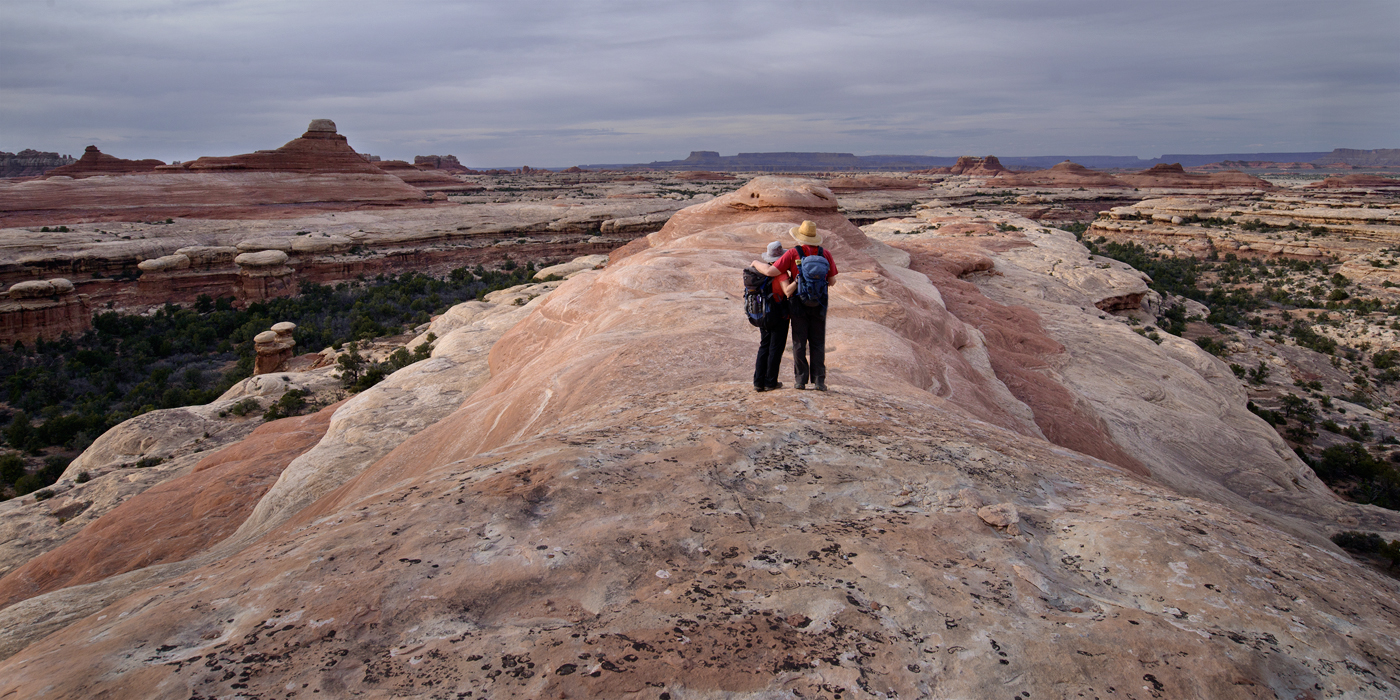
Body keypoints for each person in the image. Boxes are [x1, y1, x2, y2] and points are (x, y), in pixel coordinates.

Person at [752, 221, 837, 391]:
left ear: (800, 237)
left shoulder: (793, 253)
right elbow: (832, 281)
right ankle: (819, 381)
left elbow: (770, 272)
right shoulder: (825, 253)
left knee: (799, 341)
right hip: (819, 302)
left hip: (798, 301)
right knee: (817, 341)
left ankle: (800, 381)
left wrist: (755, 263)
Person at [749, 241, 796, 392]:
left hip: (763, 313)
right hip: (778, 314)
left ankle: (758, 381)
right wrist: (797, 280)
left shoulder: (762, 269)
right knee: (776, 348)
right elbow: (787, 292)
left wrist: (755, 262)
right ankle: (770, 382)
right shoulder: (781, 273)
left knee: (764, 346)